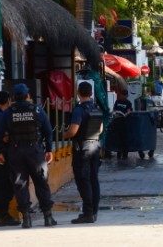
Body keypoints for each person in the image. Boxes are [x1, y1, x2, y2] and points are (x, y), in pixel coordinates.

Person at [0, 84, 56, 229]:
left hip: (15, 152)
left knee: (20, 184)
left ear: (14, 98)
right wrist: (49, 149)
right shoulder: (37, 110)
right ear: (28, 96)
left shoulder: (9, 112)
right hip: (34, 151)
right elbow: (48, 131)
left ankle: (26, 219)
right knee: (41, 183)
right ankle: (48, 217)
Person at [64, 81, 103, 224]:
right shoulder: (96, 108)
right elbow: (100, 129)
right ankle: (94, 212)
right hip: (95, 146)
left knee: (83, 181)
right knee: (94, 180)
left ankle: (87, 213)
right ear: (91, 93)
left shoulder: (79, 110)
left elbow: (73, 130)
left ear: (78, 93)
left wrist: (64, 135)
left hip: (82, 150)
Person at [0, 92, 20, 226]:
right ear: (8, 100)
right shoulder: (0, 115)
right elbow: (4, 137)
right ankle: (1, 215)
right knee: (5, 186)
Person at [112, 89, 132, 160]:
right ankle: (118, 153)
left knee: (124, 139)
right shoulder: (118, 101)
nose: (122, 97)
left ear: (126, 96)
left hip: (124, 122)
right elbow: (114, 109)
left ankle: (125, 154)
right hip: (117, 121)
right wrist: (114, 113)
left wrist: (125, 114)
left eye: (124, 95)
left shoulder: (128, 103)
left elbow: (129, 111)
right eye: (122, 95)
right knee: (118, 138)